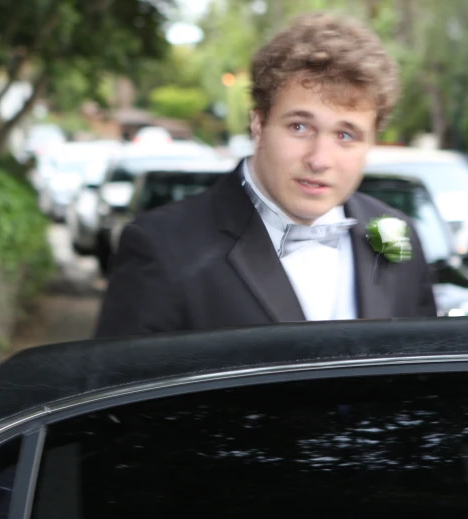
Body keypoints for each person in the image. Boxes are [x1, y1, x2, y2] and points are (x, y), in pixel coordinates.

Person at [94, 12, 437, 338]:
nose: (319, 159)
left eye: (345, 135)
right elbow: (120, 394)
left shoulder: (399, 236)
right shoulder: (161, 248)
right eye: (299, 127)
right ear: (258, 125)